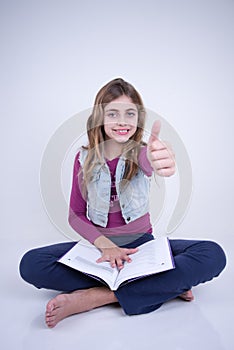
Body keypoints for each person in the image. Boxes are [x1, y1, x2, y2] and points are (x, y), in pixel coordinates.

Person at [19, 78, 226, 328]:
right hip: (99, 251)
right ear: (100, 118)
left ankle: (98, 297)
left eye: (130, 113)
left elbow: (153, 161)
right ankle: (161, 287)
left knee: (212, 254)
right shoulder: (83, 158)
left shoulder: (141, 153)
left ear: (138, 119)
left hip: (141, 251)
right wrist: (106, 247)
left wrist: (161, 157)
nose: (122, 121)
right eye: (113, 113)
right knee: (31, 263)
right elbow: (75, 215)